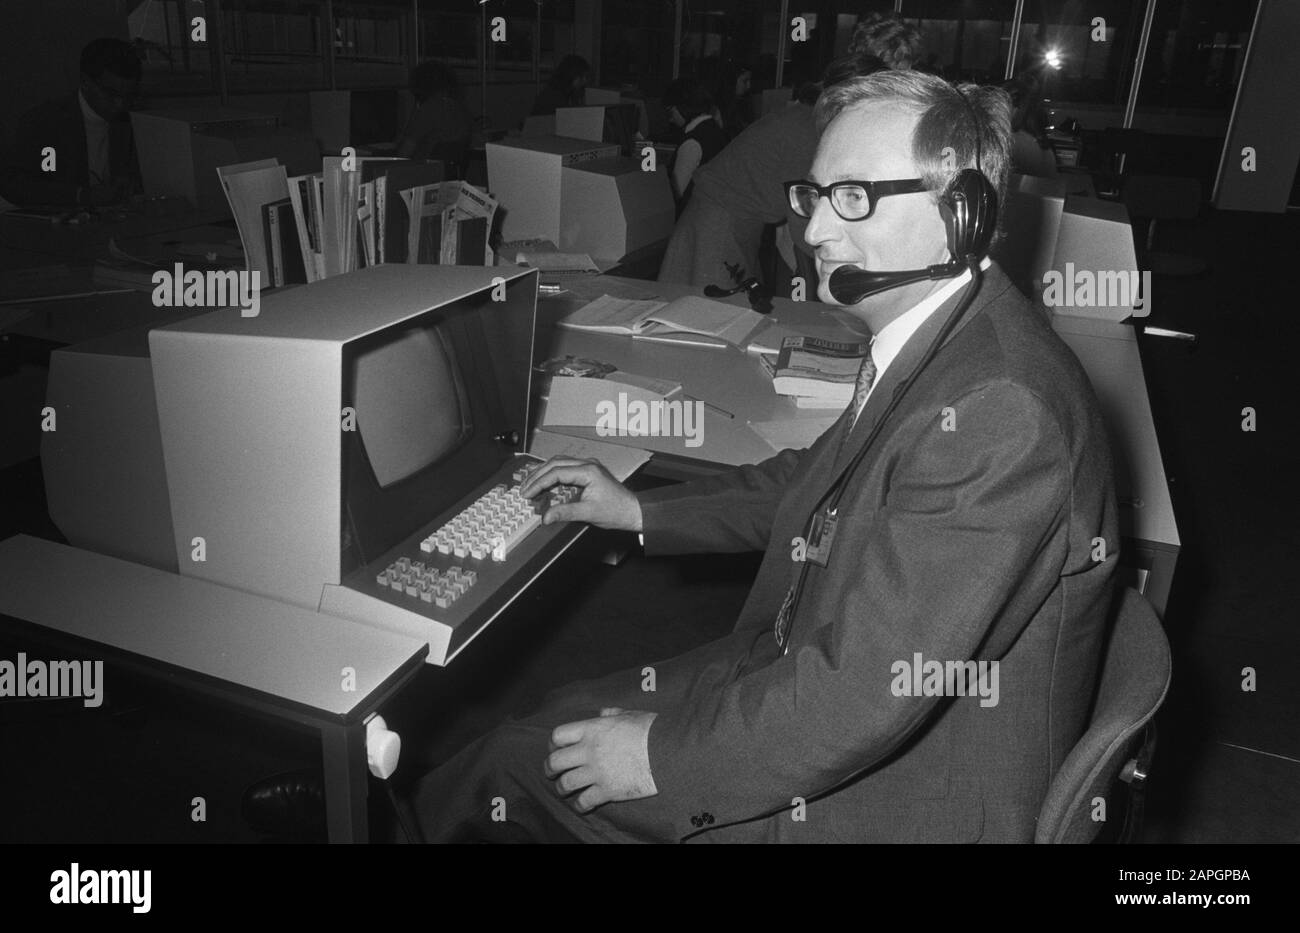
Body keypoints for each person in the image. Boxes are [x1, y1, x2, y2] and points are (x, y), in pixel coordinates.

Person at [409, 69, 1119, 843]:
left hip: (909, 794)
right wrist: (637, 507)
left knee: (519, 766)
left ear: (962, 216)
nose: (814, 231)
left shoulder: (1000, 409)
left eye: (854, 197)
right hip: (811, 673)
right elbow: (807, 483)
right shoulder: (941, 336)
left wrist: (663, 758)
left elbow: (864, 692)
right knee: (547, 720)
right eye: (812, 196)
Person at [656, 12, 922, 291]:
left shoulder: (813, 114)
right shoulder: (811, 129)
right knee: (706, 316)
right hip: (717, 226)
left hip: (737, 224)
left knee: (727, 311)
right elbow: (804, 226)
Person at [0, 38, 141, 207]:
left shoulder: (131, 122)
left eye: (128, 95)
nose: (120, 104)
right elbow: (15, 184)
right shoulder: (46, 122)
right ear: (85, 82)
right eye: (111, 94)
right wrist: (81, 196)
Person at [661, 77, 726, 211]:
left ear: (682, 107)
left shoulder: (692, 142)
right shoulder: (713, 128)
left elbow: (676, 193)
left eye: (670, 112)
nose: (671, 119)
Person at [396, 61, 472, 170]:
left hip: (423, 172)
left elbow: (405, 151)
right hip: (449, 173)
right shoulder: (458, 107)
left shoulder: (430, 108)